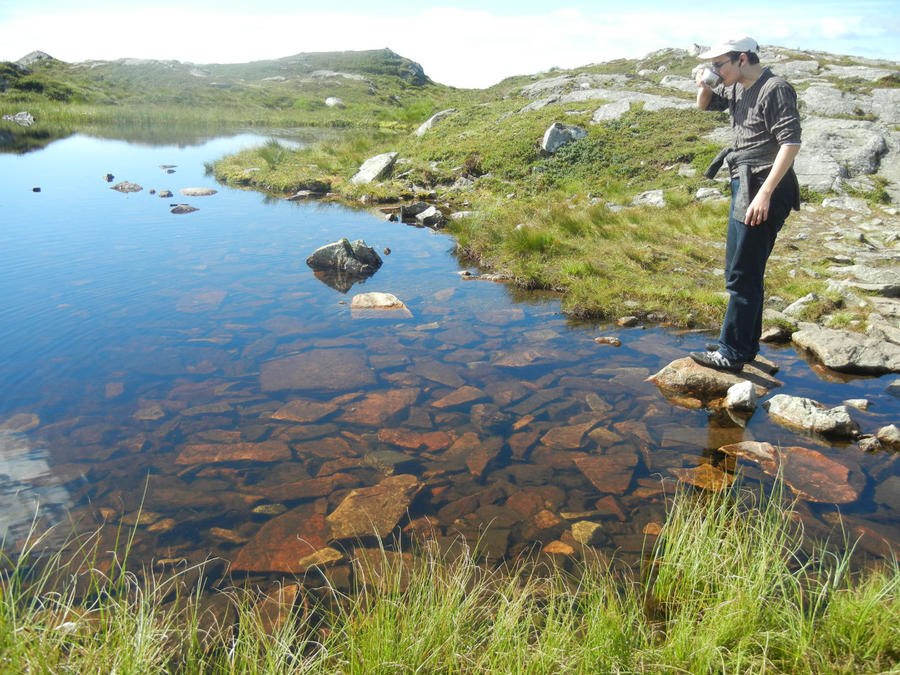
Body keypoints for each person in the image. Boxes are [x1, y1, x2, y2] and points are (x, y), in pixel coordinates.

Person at [690, 36, 802, 373]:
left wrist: (765, 193)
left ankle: (733, 352)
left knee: (743, 272)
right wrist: (705, 82)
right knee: (739, 269)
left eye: (719, 64)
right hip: (745, 181)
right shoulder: (736, 85)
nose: (716, 70)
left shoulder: (775, 88)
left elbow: (790, 143)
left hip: (766, 185)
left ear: (742, 59)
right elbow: (703, 105)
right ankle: (742, 343)